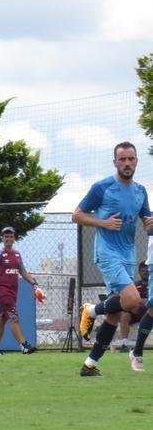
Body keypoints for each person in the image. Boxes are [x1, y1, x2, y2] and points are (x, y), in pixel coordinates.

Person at [74, 142, 153, 376]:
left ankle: (89, 365)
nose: (127, 163)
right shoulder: (102, 187)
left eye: (131, 159)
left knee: (115, 314)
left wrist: (150, 223)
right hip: (107, 253)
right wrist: (103, 223)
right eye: (123, 159)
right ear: (115, 162)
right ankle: (90, 310)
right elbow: (76, 215)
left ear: (136, 161)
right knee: (133, 301)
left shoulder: (140, 191)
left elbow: (147, 222)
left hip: (128, 254)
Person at [0, 226, 41, 354]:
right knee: (14, 318)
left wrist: (34, 283)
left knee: (2, 318)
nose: (8, 239)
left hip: (13, 292)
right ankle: (24, 346)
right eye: (6, 236)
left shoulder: (17, 254)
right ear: (2, 238)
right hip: (2, 291)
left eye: (11, 236)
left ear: (14, 238)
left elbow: (23, 271)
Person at [115, 260, 148, 353]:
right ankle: (124, 344)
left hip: (149, 312)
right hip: (135, 312)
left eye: (147, 270)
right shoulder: (134, 285)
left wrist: (140, 301)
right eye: (143, 270)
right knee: (124, 314)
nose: (145, 272)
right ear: (139, 272)